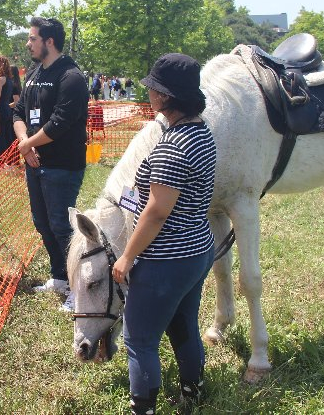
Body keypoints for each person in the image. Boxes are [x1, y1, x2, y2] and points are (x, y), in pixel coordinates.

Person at [111, 53, 216, 415]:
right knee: (183, 321)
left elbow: (156, 211)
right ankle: (193, 391)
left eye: (153, 88)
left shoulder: (174, 147)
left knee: (139, 339)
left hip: (166, 259)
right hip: (197, 249)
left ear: (166, 97)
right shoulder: (200, 132)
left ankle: (144, 409)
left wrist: (127, 257)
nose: (149, 93)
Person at [13, 17, 89, 312]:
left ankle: (78, 288)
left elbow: (60, 122)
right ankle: (59, 277)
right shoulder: (33, 72)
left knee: (62, 227)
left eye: (32, 38)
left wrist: (28, 144)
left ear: (49, 42)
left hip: (62, 165)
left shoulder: (71, 76)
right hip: (34, 161)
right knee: (42, 223)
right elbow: (18, 111)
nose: (28, 43)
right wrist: (25, 144)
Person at [0, 55, 15, 162]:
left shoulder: (0, 79)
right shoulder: (9, 79)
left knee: (1, 137)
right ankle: (10, 160)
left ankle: (2, 161)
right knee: (8, 136)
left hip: (0, 110)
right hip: (7, 109)